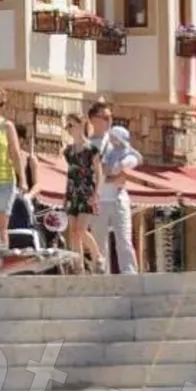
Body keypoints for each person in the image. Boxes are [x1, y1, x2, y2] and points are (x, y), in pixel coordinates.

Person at [60, 107, 105, 268]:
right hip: (72, 192)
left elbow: (99, 173)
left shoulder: (91, 149)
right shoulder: (68, 151)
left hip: (86, 192)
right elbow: (70, 174)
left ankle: (98, 256)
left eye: (71, 125)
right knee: (73, 233)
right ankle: (78, 268)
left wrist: (96, 193)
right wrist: (65, 195)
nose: (68, 129)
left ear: (80, 125)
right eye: (67, 126)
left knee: (81, 230)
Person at [94, 121, 140, 274]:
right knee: (99, 241)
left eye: (115, 138)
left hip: (118, 201)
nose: (113, 141)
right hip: (100, 201)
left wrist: (110, 173)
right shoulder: (102, 151)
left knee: (124, 239)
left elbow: (119, 169)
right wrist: (108, 175)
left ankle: (129, 273)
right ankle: (102, 274)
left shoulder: (128, 155)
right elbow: (102, 172)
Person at [0, 90, 27, 247]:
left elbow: (15, 154)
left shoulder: (7, 126)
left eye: (2, 104)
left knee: (0, 227)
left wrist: (22, 179)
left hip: (3, 182)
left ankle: (2, 257)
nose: (0, 107)